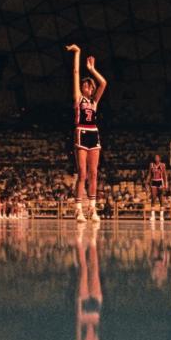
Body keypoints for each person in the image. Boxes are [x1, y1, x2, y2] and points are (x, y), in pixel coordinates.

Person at [66, 44, 107, 222]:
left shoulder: (94, 101)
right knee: (82, 173)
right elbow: (75, 72)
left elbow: (104, 83)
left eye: (89, 86)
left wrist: (92, 69)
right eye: (85, 85)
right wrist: (78, 52)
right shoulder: (79, 98)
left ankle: (92, 208)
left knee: (94, 173)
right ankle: (78, 209)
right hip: (81, 131)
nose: (88, 87)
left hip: (94, 133)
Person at [146, 154, 168, 221]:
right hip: (154, 181)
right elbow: (149, 174)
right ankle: (153, 216)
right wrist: (147, 182)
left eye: (158, 157)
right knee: (153, 197)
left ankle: (161, 216)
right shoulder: (151, 165)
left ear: (160, 158)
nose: (156, 158)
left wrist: (165, 184)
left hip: (160, 181)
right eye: (155, 157)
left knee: (161, 197)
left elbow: (164, 175)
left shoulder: (163, 165)